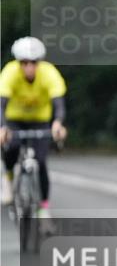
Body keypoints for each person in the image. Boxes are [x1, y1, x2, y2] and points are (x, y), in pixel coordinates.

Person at [0, 37, 68, 222]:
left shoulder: (49, 73)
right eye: (24, 63)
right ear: (18, 62)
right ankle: (7, 178)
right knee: (11, 147)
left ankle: (43, 207)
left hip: (40, 120)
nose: (29, 67)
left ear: (40, 62)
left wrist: (58, 123)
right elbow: (1, 104)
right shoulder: (9, 73)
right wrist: (2, 127)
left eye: (33, 63)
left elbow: (59, 103)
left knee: (41, 161)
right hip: (14, 119)